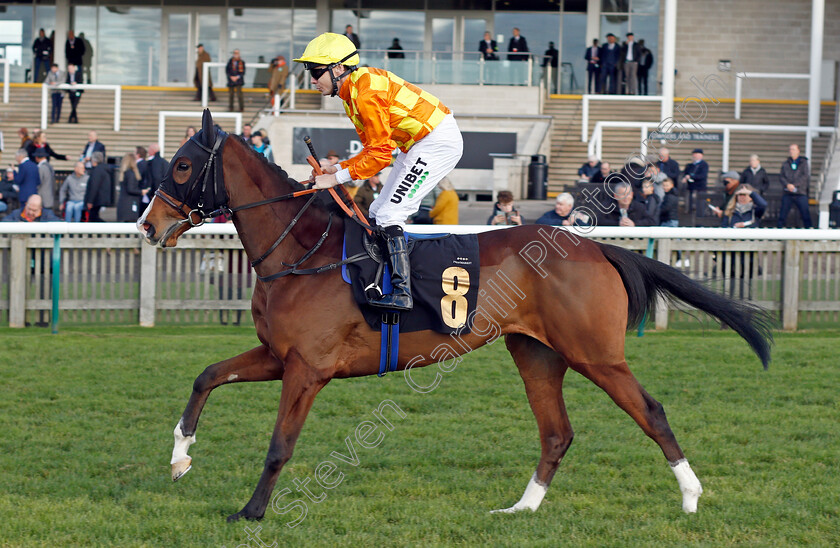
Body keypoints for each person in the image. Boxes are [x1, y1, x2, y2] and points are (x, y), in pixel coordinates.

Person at [294, 32, 463, 311]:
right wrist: (335, 168)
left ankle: (402, 291)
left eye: (315, 71)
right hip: (419, 143)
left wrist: (334, 178)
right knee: (376, 210)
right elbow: (374, 150)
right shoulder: (352, 92)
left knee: (389, 214)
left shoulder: (365, 93)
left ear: (338, 69)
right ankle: (378, 281)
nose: (312, 79)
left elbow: (381, 156)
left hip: (435, 142)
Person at [777, 143, 813, 228]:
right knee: (783, 214)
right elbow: (782, 176)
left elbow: (805, 176)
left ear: (798, 151)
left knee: (805, 214)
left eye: (793, 149)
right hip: (788, 193)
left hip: (800, 192)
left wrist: (795, 185)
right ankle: (779, 232)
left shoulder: (803, 162)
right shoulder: (786, 163)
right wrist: (787, 185)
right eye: (790, 149)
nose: (791, 151)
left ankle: (809, 232)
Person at [680, 148, 708, 214]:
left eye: (696, 154)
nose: (694, 156)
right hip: (691, 187)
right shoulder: (690, 165)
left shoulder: (704, 165)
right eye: (694, 154)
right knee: (690, 203)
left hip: (700, 188)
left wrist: (691, 176)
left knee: (700, 204)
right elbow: (685, 173)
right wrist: (685, 177)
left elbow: (702, 175)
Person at [116, 153, 143, 222]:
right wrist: (141, 192)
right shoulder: (130, 174)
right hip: (130, 204)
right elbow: (130, 189)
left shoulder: (124, 173)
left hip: (123, 203)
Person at [85, 152, 111, 222]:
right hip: (101, 198)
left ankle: (108, 229)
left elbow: (94, 186)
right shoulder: (104, 169)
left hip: (97, 199)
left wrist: (90, 201)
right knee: (94, 217)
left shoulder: (97, 171)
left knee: (93, 217)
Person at [35, 148, 57, 213]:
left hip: (43, 198)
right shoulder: (49, 166)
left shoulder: (41, 168)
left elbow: (39, 182)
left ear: (37, 157)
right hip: (50, 196)